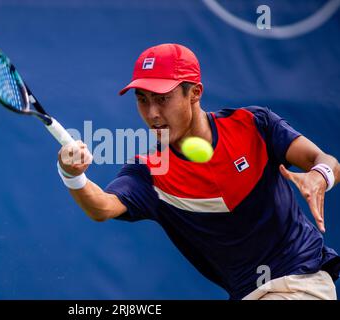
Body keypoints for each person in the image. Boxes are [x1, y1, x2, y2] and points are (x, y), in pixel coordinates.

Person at [56, 43, 340, 300]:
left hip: (299, 282)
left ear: (195, 93)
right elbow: (101, 207)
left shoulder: (253, 124)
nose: (152, 113)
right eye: (142, 99)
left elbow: (323, 159)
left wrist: (320, 175)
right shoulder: (149, 172)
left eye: (162, 98)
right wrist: (72, 174)